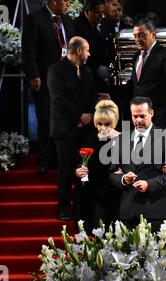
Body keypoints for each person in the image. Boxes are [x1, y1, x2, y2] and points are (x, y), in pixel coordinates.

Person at [130, 19, 166, 216]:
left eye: (142, 35)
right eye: (135, 35)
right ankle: (153, 199)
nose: (138, 39)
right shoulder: (137, 55)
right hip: (142, 122)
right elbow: (135, 87)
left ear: (153, 35)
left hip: (161, 118)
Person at [109, 96, 166, 232]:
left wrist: (149, 184)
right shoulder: (121, 139)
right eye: (135, 116)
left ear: (152, 113)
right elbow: (112, 173)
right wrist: (123, 179)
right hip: (128, 212)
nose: (138, 120)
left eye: (142, 116)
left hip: (155, 211)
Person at [22, 0, 77, 174]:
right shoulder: (35, 19)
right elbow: (28, 49)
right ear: (54, 1)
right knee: (46, 119)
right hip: (45, 78)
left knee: (66, 119)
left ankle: (62, 158)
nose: (68, 4)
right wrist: (34, 74)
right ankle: (45, 159)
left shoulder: (67, 21)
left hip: (67, 79)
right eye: (65, 1)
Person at [48, 36, 98, 220]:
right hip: (65, 128)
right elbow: (58, 99)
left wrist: (89, 116)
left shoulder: (87, 71)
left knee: (83, 167)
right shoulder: (56, 70)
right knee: (66, 168)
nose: (89, 54)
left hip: (85, 128)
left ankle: (80, 206)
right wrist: (79, 116)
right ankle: (63, 206)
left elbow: (93, 96)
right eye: (87, 50)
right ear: (78, 51)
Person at [75, 99, 122, 230]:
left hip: (116, 193)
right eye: (99, 124)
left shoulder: (123, 139)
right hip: (94, 193)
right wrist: (78, 170)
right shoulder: (88, 138)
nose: (102, 128)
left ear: (114, 123)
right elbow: (79, 162)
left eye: (107, 124)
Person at [74, 0, 108, 93]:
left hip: (100, 71)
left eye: (103, 12)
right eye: (98, 13)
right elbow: (80, 53)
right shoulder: (77, 26)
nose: (102, 16)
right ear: (88, 11)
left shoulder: (101, 23)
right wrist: (97, 68)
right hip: (86, 73)